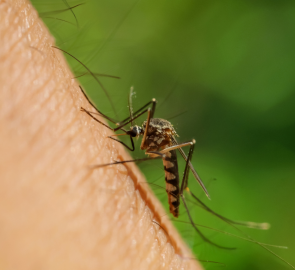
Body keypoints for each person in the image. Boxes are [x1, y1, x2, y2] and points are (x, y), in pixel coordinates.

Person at [0, 0, 201, 269]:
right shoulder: (145, 130)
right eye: (135, 130)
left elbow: (162, 141)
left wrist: (121, 159)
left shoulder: (155, 133)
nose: (134, 133)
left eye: (135, 130)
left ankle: (183, 192)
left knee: (173, 138)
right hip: (159, 141)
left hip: (170, 160)